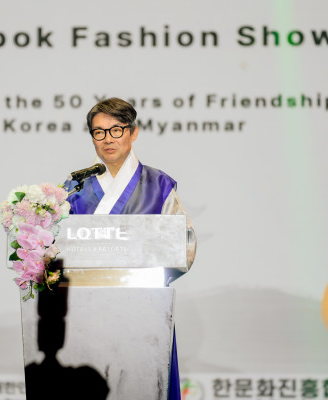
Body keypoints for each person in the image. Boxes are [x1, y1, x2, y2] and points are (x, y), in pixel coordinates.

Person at [64, 97, 196, 400]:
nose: (107, 139)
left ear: (133, 132)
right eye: (99, 132)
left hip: (145, 307)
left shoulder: (159, 184)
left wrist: (145, 278)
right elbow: (56, 245)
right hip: (86, 310)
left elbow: (185, 245)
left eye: (116, 130)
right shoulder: (75, 187)